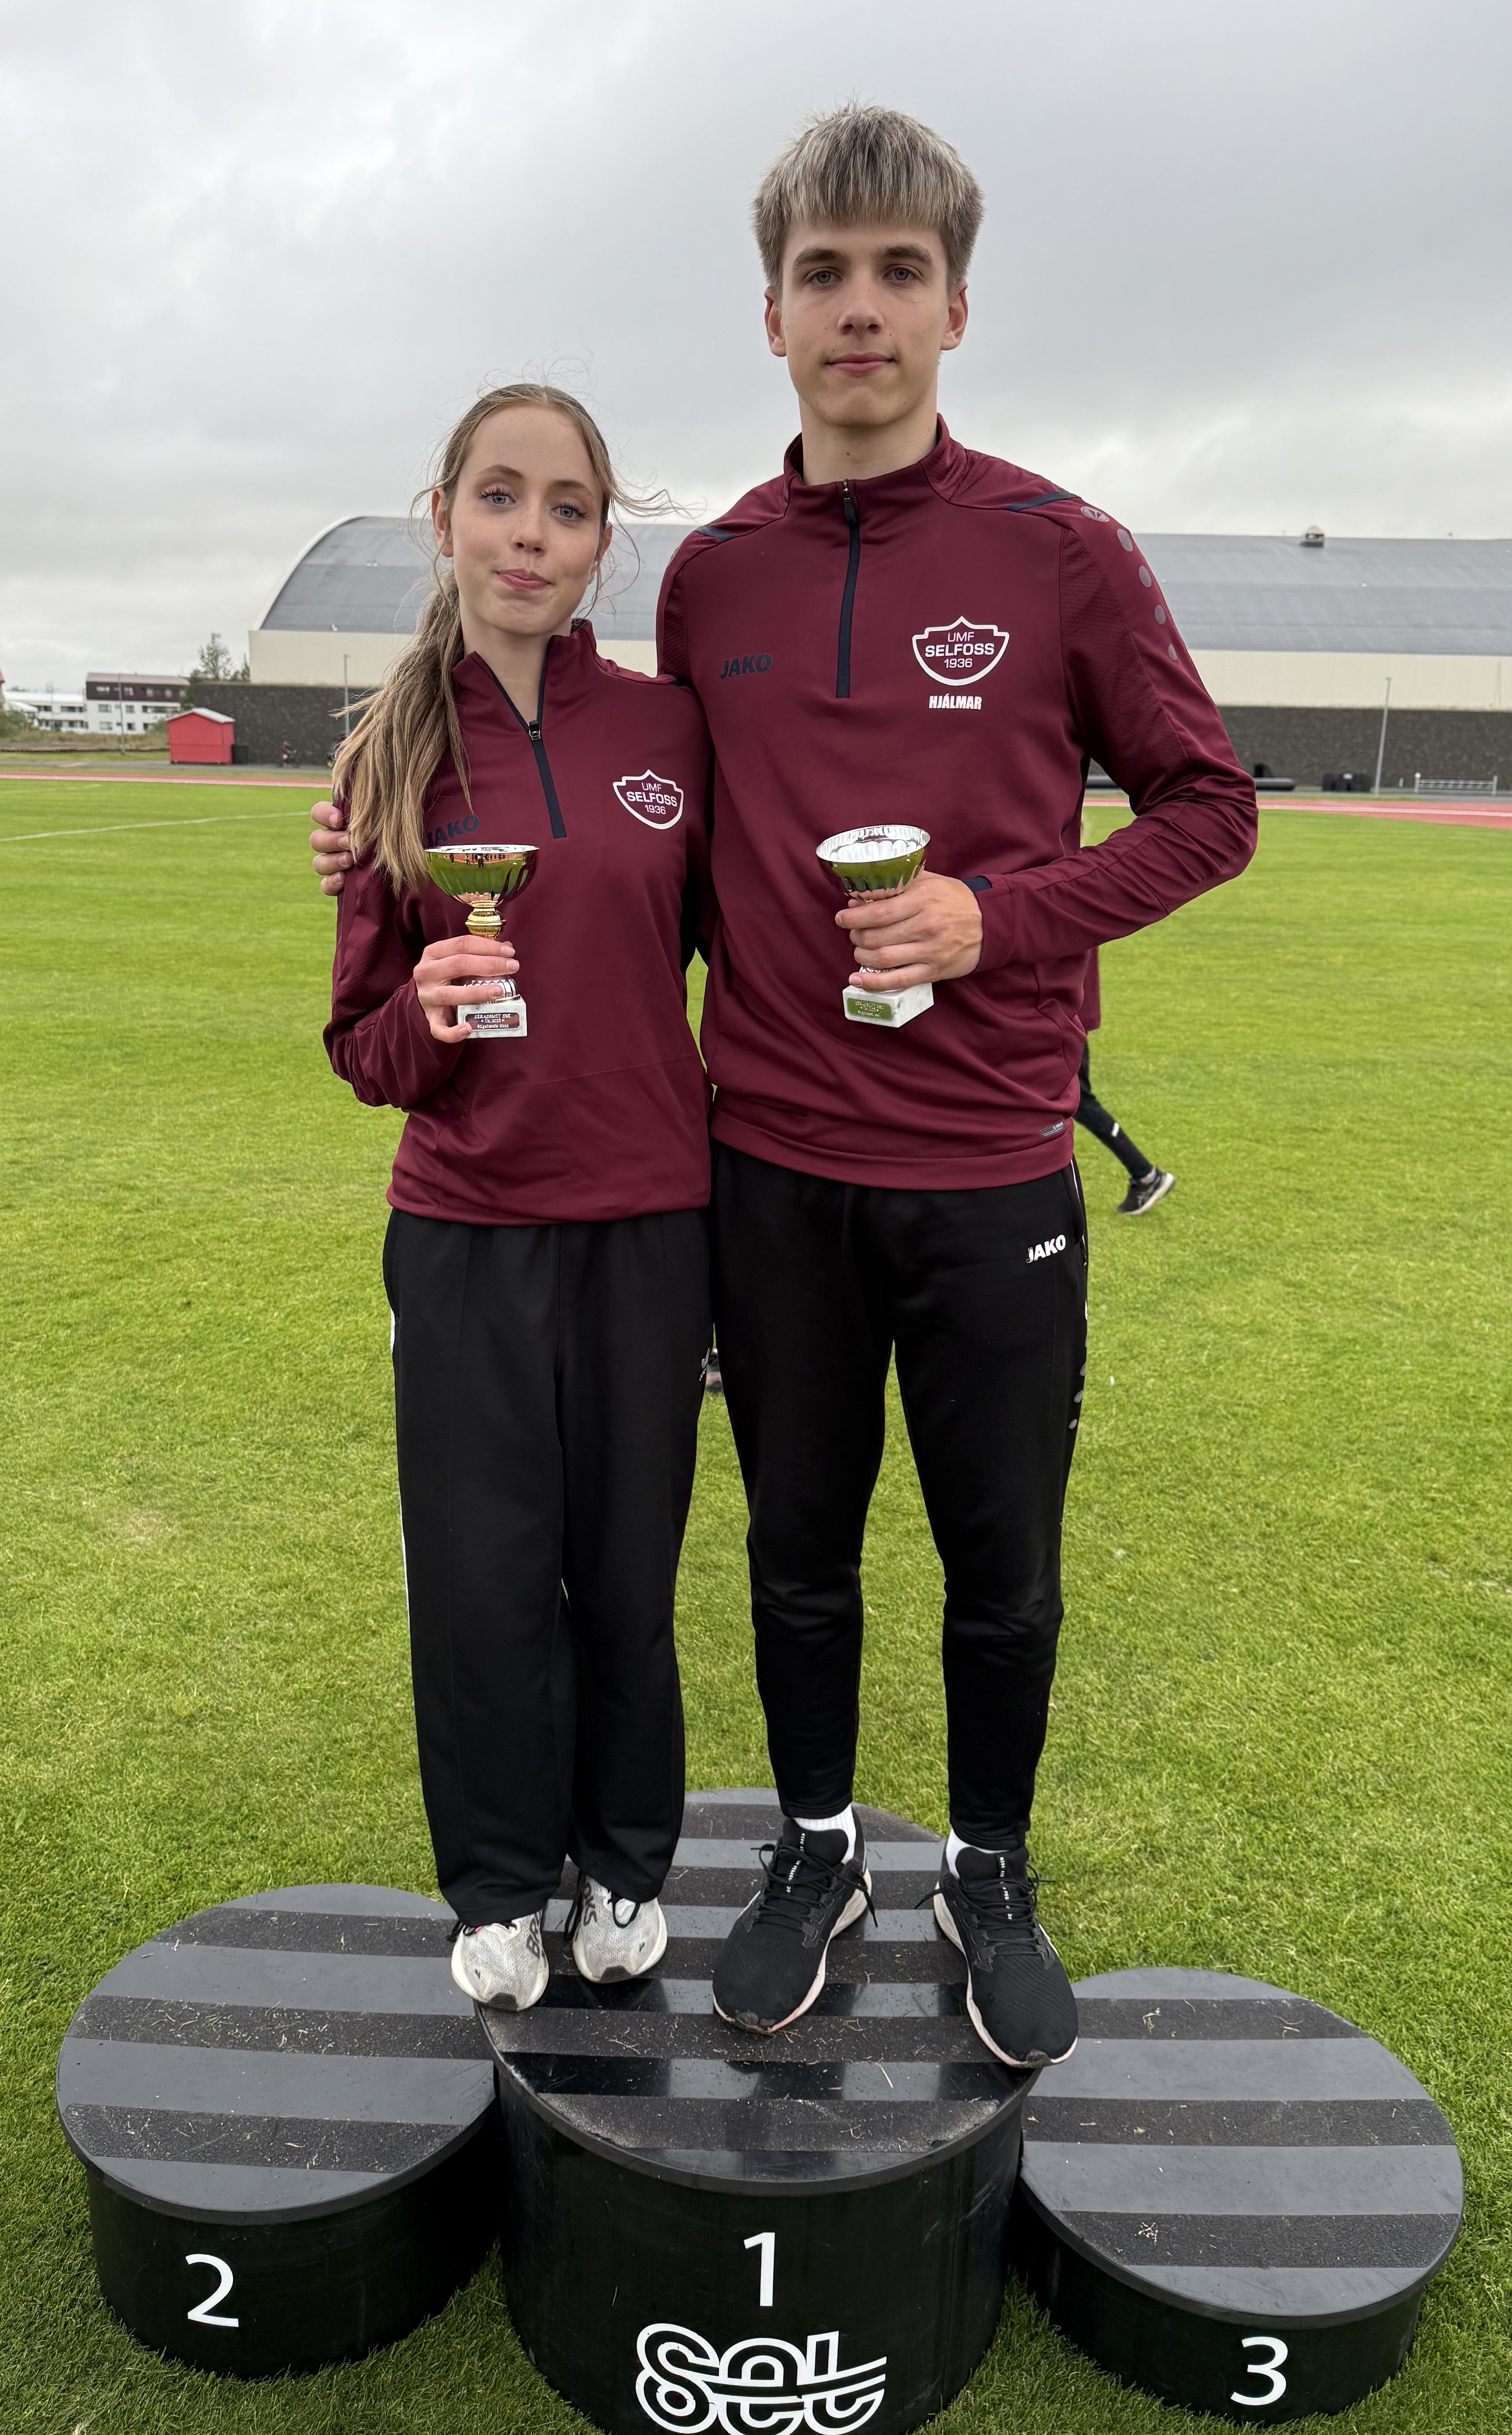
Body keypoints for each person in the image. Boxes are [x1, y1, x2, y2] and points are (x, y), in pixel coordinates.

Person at [313, 108, 1256, 2071]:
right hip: (761, 1169)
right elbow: (648, 864)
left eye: (899, 271)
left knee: (1002, 1568)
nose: (860, 308)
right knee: (793, 1555)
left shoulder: (1063, 548)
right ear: (771, 314)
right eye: (824, 273)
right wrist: (390, 854)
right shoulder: (718, 579)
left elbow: (1208, 808)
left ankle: (988, 1868)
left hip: (992, 1160)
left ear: (955, 307)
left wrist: (999, 919)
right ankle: (815, 1852)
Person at [324, 382, 713, 2014]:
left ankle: (621, 1862)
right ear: (445, 518)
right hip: (467, 1234)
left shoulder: (671, 734)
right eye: (498, 496)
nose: (529, 533)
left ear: (601, 540)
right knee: (483, 1584)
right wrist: (427, 1011)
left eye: (565, 506)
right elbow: (360, 1045)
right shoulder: (388, 751)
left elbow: (744, 948)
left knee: (626, 1575)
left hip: (649, 1227)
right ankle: (496, 1884)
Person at [1074, 950, 1175, 1214]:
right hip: (1060, 1013)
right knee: (1074, 1100)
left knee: (1078, 1100)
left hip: (1058, 1015)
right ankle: (1146, 1175)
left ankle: (1146, 1175)